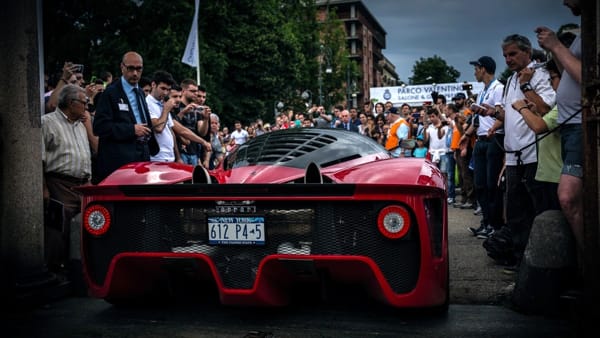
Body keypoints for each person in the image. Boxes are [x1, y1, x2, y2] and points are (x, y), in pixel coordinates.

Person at [483, 34, 555, 266]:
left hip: (534, 154)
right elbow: (511, 115)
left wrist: (526, 85)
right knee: (515, 214)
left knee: (538, 211)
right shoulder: (512, 79)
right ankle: (519, 260)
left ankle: (540, 263)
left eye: (512, 54)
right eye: (505, 55)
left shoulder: (539, 75)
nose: (508, 59)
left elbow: (546, 109)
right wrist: (492, 113)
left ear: (527, 51)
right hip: (514, 157)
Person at [536, 0, 583, 259]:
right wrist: (555, 51)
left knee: (567, 196)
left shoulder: (591, 33)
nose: (564, 2)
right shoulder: (583, 36)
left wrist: (556, 46)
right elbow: (571, 74)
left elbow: (586, 76)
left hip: (580, 127)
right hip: (571, 128)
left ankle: (591, 265)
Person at [42, 84, 97, 271]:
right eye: (84, 102)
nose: (87, 106)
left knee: (84, 230)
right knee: (58, 230)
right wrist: (44, 188)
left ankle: (78, 271)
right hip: (59, 183)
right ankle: (55, 270)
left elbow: (86, 153)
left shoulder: (80, 124)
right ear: (71, 103)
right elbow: (38, 159)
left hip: (82, 185)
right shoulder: (48, 123)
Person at [93, 51, 157, 184]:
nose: (135, 73)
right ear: (122, 67)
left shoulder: (140, 92)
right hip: (119, 161)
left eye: (138, 69)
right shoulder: (110, 92)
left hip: (142, 156)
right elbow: (100, 127)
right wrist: (131, 130)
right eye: (130, 68)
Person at [462, 56, 506, 239]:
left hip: (494, 140)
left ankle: (495, 225)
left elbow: (501, 114)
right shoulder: (482, 92)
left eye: (476, 68)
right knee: (480, 184)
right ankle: (486, 222)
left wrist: (494, 128)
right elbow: (478, 119)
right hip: (480, 141)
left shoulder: (499, 88)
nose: (475, 72)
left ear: (484, 69)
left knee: (491, 186)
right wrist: (466, 135)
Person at [145, 70, 181, 163]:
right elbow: (159, 128)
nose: (165, 93)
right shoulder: (147, 103)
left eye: (168, 90)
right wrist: (166, 110)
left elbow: (170, 131)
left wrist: (178, 157)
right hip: (157, 157)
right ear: (153, 85)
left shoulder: (163, 104)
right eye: (163, 88)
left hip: (170, 156)